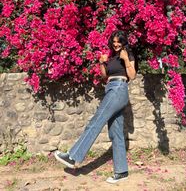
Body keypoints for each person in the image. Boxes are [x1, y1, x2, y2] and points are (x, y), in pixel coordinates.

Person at [54, 30, 136, 184]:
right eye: (114, 41)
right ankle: (121, 171)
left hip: (119, 88)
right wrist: (102, 63)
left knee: (96, 121)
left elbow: (132, 75)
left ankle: (73, 156)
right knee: (116, 133)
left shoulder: (128, 55)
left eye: (119, 41)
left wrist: (125, 60)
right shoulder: (112, 57)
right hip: (111, 87)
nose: (116, 44)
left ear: (124, 42)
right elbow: (105, 76)